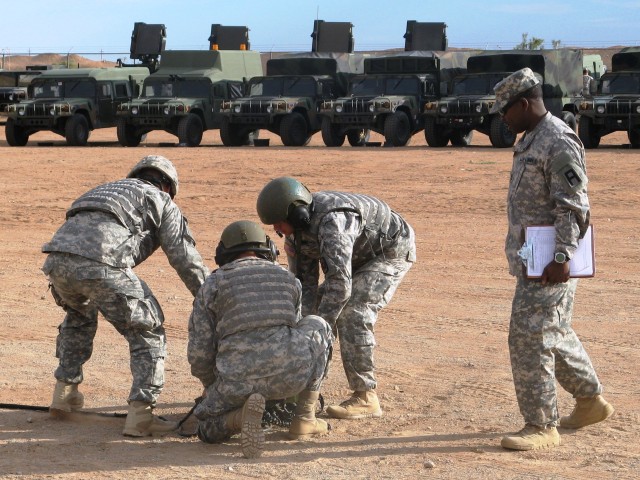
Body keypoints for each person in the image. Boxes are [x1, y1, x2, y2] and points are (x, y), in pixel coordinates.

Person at [491, 68, 614, 451]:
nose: (503, 119)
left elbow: (574, 207)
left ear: (525, 104)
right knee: (551, 332)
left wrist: (561, 256)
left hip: (551, 260)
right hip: (536, 257)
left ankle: (542, 425)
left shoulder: (558, 140)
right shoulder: (532, 139)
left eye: (505, 111)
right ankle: (590, 400)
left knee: (528, 337)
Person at [42, 155, 209, 437]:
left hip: (57, 262)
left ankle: (64, 394)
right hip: (101, 262)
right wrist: (208, 296)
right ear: (167, 185)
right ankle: (141, 415)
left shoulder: (104, 190)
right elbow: (184, 258)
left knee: (79, 315)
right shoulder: (160, 199)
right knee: (146, 329)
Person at [256, 177, 416, 420]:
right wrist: (303, 333)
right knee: (315, 314)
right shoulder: (295, 236)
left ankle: (366, 396)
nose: (277, 230)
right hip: (354, 256)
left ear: (297, 214)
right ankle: (304, 388)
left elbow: (340, 286)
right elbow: (304, 287)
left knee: (353, 311)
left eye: (279, 223)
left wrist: (320, 330)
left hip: (388, 252)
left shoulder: (333, 223)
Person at [187, 220, 333, 459]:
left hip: (234, 383)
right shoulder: (289, 279)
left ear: (223, 253)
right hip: (289, 380)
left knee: (206, 428)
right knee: (318, 325)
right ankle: (305, 417)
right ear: (269, 249)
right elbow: (294, 331)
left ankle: (238, 418)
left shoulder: (212, 284)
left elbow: (199, 353)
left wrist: (211, 387)